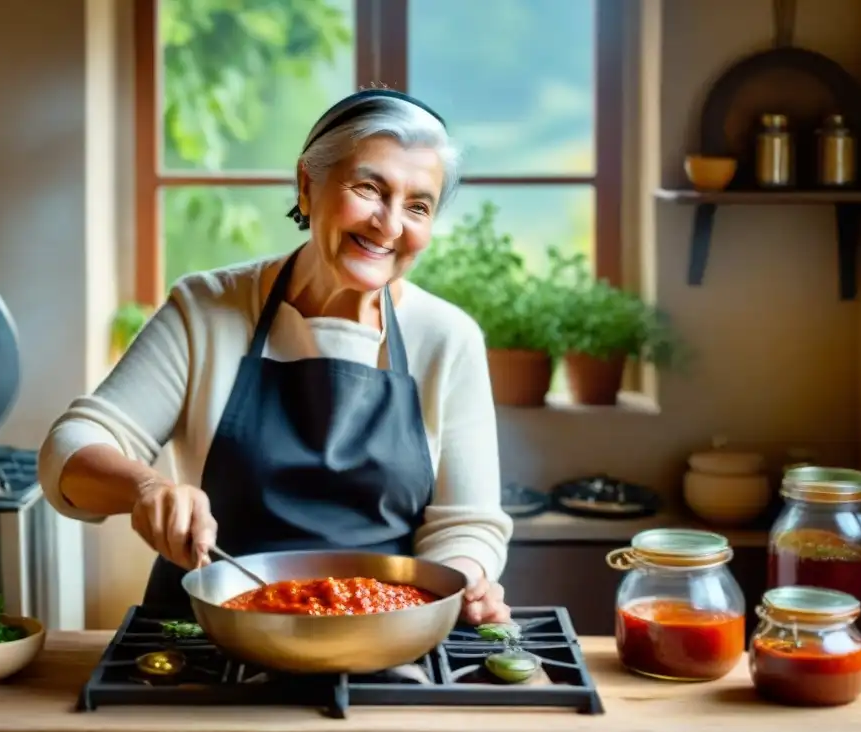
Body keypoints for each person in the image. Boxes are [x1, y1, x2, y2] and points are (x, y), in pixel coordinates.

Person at [37, 89, 513, 625]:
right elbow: (69, 450)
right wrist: (147, 488)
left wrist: (464, 580)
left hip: (382, 633)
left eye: (418, 206)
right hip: (208, 633)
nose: (390, 224)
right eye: (369, 188)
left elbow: (466, 525)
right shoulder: (206, 310)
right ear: (308, 185)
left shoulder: (448, 337)